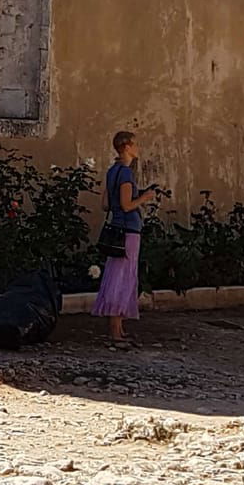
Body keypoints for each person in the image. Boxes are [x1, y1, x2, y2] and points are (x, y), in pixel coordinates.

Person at [92, 129, 165, 345]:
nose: (137, 148)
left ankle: (119, 328)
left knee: (117, 274)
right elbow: (126, 205)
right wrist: (144, 196)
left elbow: (106, 204)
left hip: (116, 228)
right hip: (128, 230)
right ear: (126, 147)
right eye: (135, 144)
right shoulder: (125, 173)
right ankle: (115, 329)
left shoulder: (112, 172)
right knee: (122, 277)